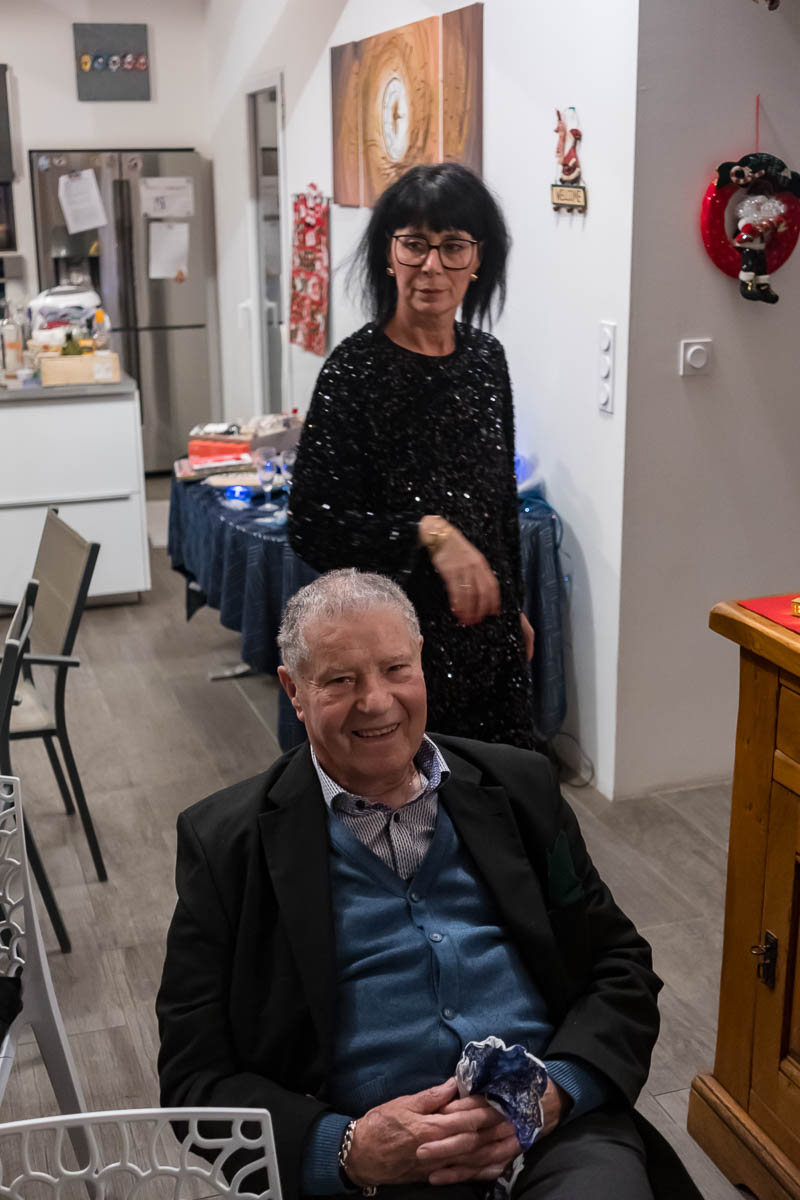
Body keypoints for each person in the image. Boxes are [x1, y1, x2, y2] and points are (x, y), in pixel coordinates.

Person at [157, 569, 697, 1200]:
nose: (376, 701)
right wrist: (348, 1149)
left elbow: (618, 963)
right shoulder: (226, 845)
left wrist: (558, 1089)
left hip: (556, 1136)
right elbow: (194, 1080)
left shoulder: (520, 789)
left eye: (395, 669)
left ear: (421, 663)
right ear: (293, 691)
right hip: (378, 1175)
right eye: (340, 680)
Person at [288, 162, 535, 749]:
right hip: (399, 661)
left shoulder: (487, 360)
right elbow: (312, 525)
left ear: (478, 260)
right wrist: (429, 533)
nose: (432, 266)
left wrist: (515, 606)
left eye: (453, 246)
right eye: (415, 244)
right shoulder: (354, 371)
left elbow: (500, 505)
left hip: (491, 642)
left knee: (503, 791)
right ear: (388, 254)